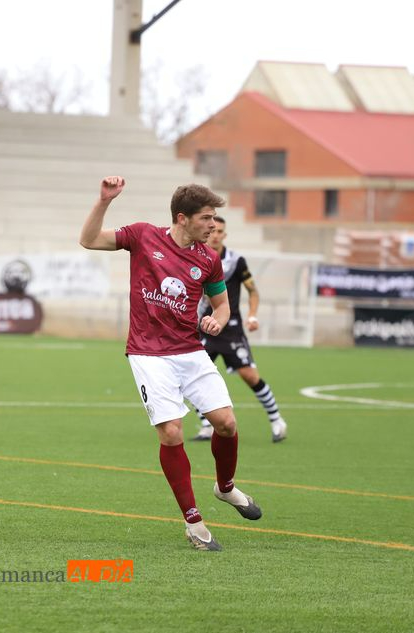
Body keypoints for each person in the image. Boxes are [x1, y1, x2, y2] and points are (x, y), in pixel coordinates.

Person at [79, 176, 262, 552]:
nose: (214, 225)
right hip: (148, 354)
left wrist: (218, 319)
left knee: (226, 423)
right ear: (183, 218)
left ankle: (225, 488)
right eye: (207, 218)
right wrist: (103, 201)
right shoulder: (143, 236)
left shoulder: (208, 260)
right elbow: (90, 239)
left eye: (215, 219)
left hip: (189, 351)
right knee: (172, 433)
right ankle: (193, 522)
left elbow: (222, 305)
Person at [192, 216, 288, 443]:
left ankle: (276, 419)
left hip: (231, 327)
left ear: (224, 235)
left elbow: (253, 291)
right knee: (191, 376)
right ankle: (206, 425)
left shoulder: (236, 261)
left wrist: (252, 315)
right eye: (212, 230)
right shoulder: (195, 256)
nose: (215, 234)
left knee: (249, 375)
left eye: (219, 231)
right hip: (204, 326)